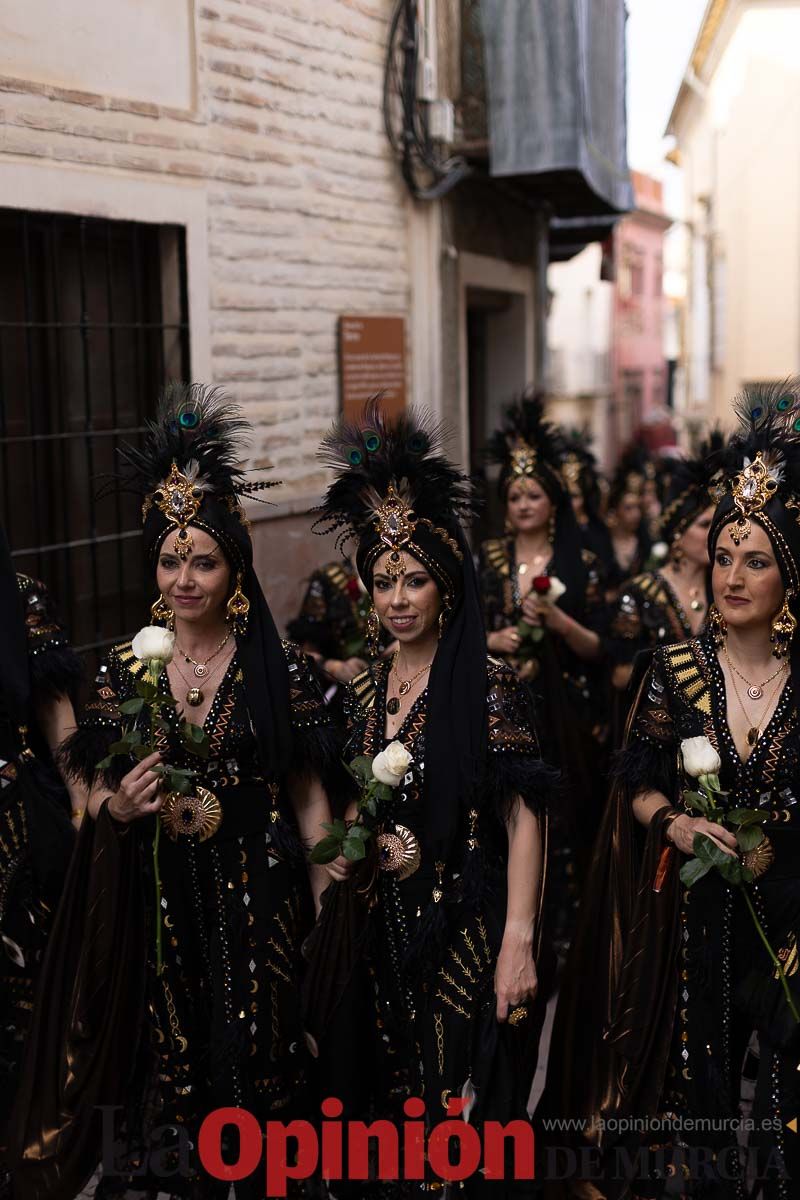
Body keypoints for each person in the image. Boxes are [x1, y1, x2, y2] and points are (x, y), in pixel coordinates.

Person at [10, 386, 342, 1200]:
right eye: (169, 559)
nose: (183, 577)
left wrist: (328, 900)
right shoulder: (128, 671)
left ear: (234, 569)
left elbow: (308, 800)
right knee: (175, 1075)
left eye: (203, 560)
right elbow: (91, 789)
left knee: (264, 1068)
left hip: (261, 905)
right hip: (165, 908)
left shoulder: (282, 670)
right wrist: (116, 807)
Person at [542, 382, 800, 1198]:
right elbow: (638, 787)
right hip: (692, 929)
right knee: (701, 1109)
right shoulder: (675, 671)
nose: (732, 574)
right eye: (723, 554)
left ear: (789, 575)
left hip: (791, 921)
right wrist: (678, 826)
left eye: (755, 560)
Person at [305, 402, 555, 1197]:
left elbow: (525, 816)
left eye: (414, 579)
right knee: (388, 1110)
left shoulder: (485, 687)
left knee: (458, 1121)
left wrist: (519, 938)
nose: (398, 597)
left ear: (446, 586)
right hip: (380, 926)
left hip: (462, 927)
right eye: (383, 581)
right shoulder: (366, 687)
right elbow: (348, 802)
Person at [478, 396, 608, 922]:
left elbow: (602, 648)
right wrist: (493, 640)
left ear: (553, 502)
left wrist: (559, 623)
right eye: (514, 495)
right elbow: (461, 630)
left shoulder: (583, 564)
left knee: (565, 809)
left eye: (534, 494)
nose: (524, 503)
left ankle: (563, 919)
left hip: (567, 710)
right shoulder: (486, 559)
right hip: (501, 705)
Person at [0, 530, 83, 1197]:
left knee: (27, 1015)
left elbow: (61, 726)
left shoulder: (22, 598)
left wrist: (86, 811)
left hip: (19, 835)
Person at [608, 435, 721, 696]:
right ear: (677, 535)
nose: (714, 533)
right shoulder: (638, 593)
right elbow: (620, 675)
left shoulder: (725, 589)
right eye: (705, 525)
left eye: (717, 525)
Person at [605, 445, 656, 589]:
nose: (636, 514)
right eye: (628, 508)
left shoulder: (646, 540)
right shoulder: (602, 540)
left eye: (638, 507)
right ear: (615, 511)